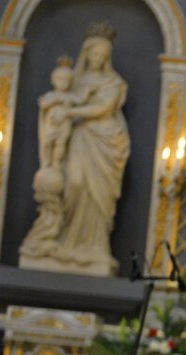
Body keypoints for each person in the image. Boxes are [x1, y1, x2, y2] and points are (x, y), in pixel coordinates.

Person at [52, 22, 130, 273]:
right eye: (94, 54)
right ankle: (66, 241)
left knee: (98, 197)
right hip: (81, 138)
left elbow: (103, 109)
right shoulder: (75, 80)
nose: (97, 59)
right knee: (74, 183)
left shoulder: (114, 82)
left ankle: (94, 247)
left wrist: (70, 111)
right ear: (86, 53)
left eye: (102, 56)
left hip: (105, 140)